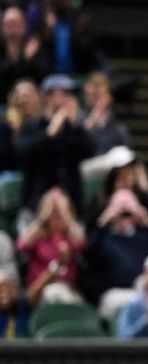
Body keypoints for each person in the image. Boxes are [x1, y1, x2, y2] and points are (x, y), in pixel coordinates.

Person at [83, 188, 148, 320]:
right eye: (119, 210)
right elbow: (87, 256)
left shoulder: (144, 236)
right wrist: (102, 222)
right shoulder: (104, 238)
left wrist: (147, 221)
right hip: (112, 295)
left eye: (128, 211)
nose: (123, 215)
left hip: (142, 292)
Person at [16, 73, 93, 213]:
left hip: (71, 204)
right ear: (47, 97)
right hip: (36, 203)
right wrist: (50, 131)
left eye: (69, 94)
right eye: (64, 93)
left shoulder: (74, 128)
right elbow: (23, 153)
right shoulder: (31, 125)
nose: (69, 99)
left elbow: (90, 152)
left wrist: (75, 126)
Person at [16, 186, 85, 305]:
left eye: (60, 213)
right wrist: (42, 216)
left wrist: (66, 215)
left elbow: (82, 245)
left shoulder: (70, 234)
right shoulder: (38, 233)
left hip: (68, 287)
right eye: (53, 212)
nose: (57, 217)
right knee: (54, 293)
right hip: (40, 290)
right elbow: (21, 246)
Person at [78, 72, 131, 180]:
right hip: (86, 167)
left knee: (131, 160)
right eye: (93, 95)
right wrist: (96, 113)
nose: (97, 99)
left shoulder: (117, 125)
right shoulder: (80, 118)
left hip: (112, 168)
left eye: (100, 95)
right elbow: (80, 140)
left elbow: (126, 150)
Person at [0, 6, 47, 101]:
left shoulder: (33, 46)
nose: (13, 29)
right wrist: (24, 59)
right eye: (10, 24)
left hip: (30, 101)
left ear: (24, 26)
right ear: (2, 27)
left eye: (17, 24)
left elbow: (42, 76)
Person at [0, 268, 30, 338]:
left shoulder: (22, 307)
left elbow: (33, 292)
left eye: (8, 287)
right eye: (1, 289)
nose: (5, 292)